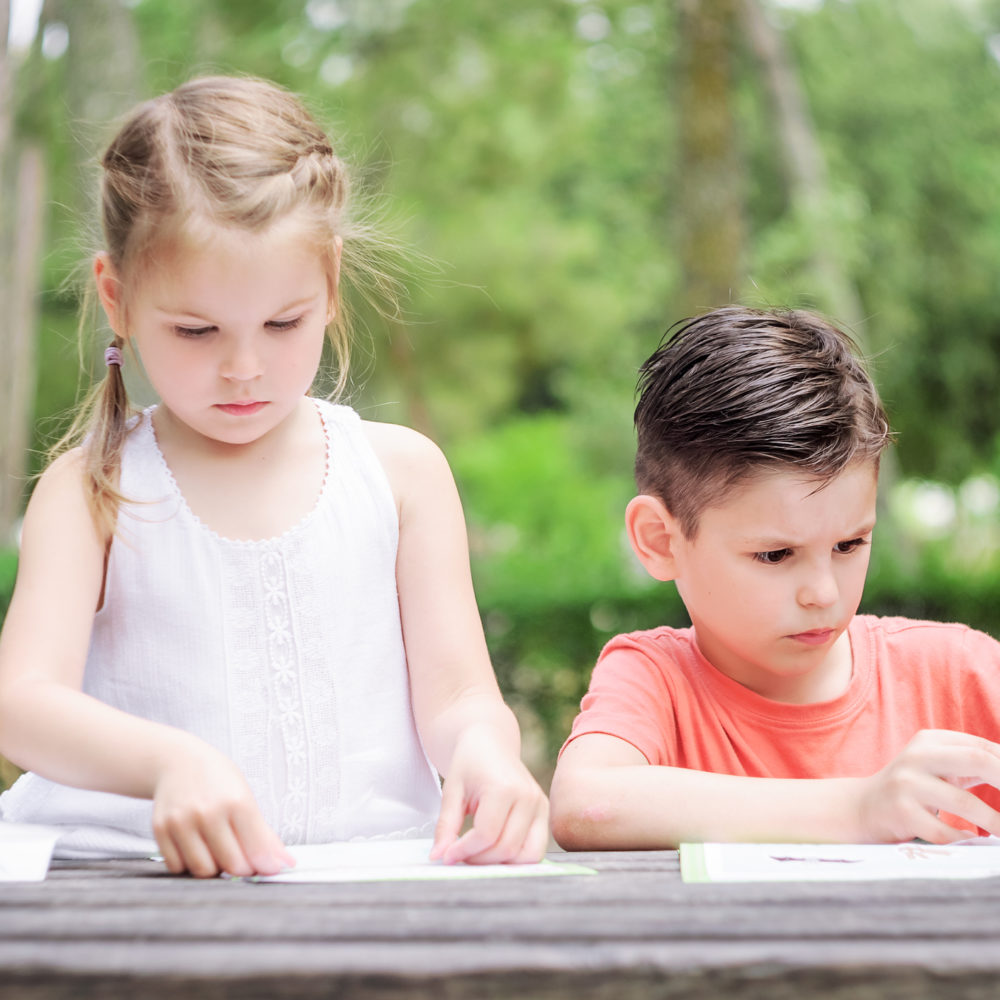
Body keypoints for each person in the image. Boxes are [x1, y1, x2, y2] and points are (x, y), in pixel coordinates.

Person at [0, 75, 547, 877]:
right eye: (196, 330)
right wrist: (168, 763)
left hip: (372, 882)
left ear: (328, 283)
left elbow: (460, 698)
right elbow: (20, 703)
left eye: (282, 323)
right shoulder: (90, 491)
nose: (243, 368)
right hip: (120, 884)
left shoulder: (401, 476)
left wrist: (488, 753)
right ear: (116, 298)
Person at [550, 305, 1000, 850]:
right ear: (660, 540)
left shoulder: (960, 674)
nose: (824, 594)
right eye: (775, 555)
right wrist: (858, 808)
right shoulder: (655, 680)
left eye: (850, 544)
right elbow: (586, 805)